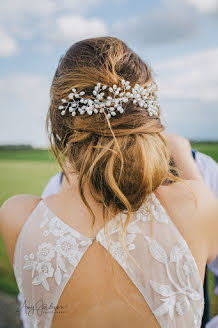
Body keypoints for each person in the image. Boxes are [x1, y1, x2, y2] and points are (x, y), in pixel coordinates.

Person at [1, 36, 218, 328]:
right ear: (148, 116)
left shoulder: (17, 217)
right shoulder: (196, 203)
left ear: (58, 124)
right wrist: (181, 154)